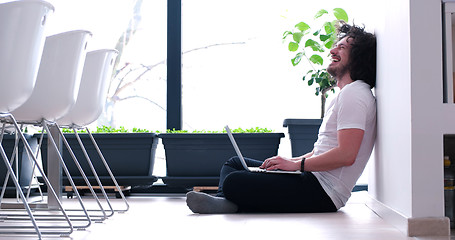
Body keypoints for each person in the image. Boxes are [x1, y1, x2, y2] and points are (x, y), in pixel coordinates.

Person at [186, 22, 377, 214]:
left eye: (342, 47)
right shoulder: (348, 94)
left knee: (234, 181)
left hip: (323, 192)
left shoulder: (355, 94)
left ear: (358, 58)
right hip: (312, 179)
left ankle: (227, 201)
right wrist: (288, 162)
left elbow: (346, 155)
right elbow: (322, 151)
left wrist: (296, 165)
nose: (332, 50)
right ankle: (224, 202)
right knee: (234, 163)